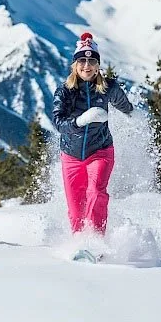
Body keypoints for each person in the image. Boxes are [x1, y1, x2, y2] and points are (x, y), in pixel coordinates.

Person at [52, 32, 133, 236]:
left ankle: (95, 241)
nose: (87, 66)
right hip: (70, 155)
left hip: (100, 150)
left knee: (96, 193)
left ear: (98, 65)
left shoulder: (108, 88)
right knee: (75, 208)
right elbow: (58, 123)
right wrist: (81, 120)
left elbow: (125, 106)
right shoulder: (65, 91)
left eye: (91, 61)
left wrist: (136, 116)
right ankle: (79, 243)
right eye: (82, 61)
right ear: (75, 65)